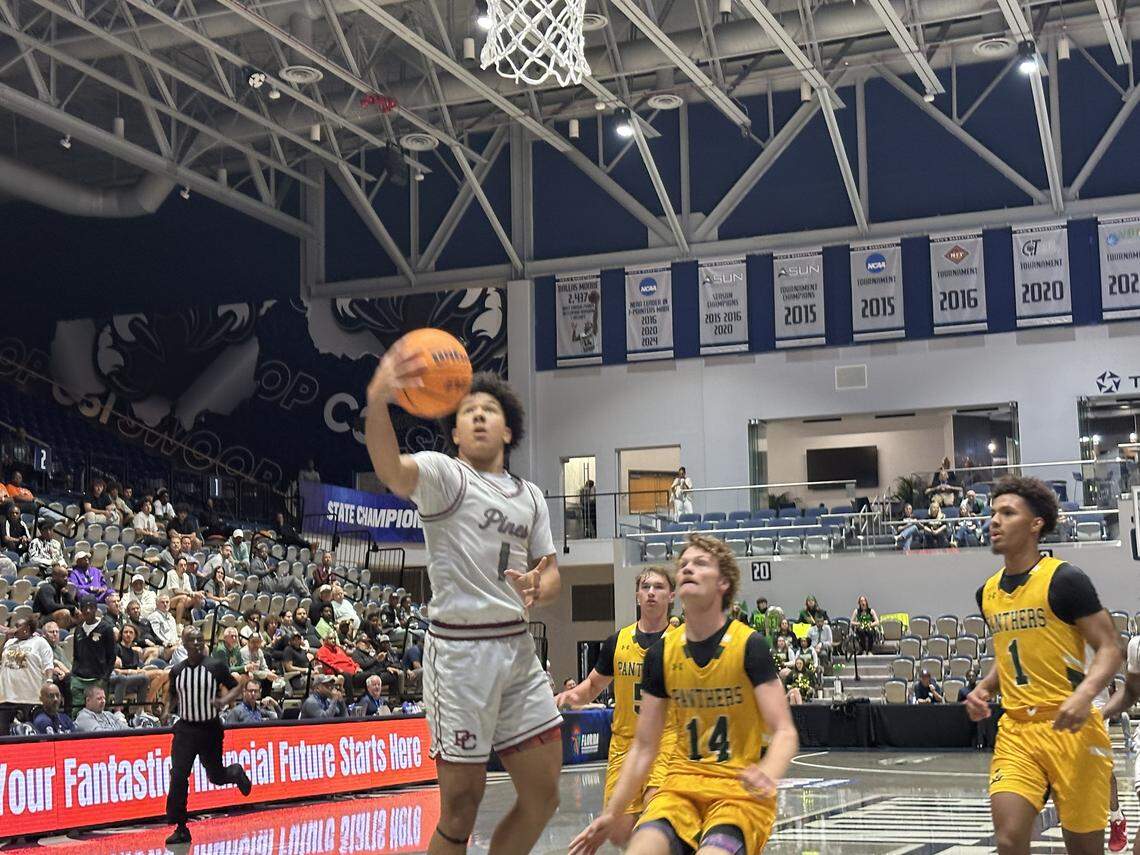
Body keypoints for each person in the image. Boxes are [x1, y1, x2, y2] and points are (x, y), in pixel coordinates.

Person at [366, 357, 562, 855]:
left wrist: (542, 587)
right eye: (468, 411)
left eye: (488, 409)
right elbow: (391, 469)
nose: (477, 416)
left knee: (543, 795)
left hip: (516, 651)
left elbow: (551, 569)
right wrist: (377, 403)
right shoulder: (444, 475)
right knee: (460, 809)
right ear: (453, 432)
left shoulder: (532, 496)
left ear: (509, 429)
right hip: (460, 655)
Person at [570, 534, 798, 855]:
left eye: (700, 563)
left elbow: (785, 732)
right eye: (684, 564)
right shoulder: (661, 655)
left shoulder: (749, 646)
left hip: (736, 792)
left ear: (723, 583)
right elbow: (645, 746)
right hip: (679, 789)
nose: (689, 568)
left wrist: (768, 772)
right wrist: (612, 812)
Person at [965, 477, 1121, 855]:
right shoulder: (987, 592)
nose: (994, 521)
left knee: (1084, 849)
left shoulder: (1065, 580)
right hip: (1018, 729)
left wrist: (1085, 695)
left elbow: (1110, 647)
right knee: (1008, 839)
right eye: (993, 513)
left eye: (1007, 512)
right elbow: (1014, 654)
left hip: (1073, 728)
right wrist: (986, 687)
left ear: (1036, 524)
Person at [555, 567, 680, 846]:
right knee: (619, 834)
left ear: (671, 595)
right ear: (637, 595)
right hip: (625, 743)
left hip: (666, 742)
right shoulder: (617, 641)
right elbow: (592, 687)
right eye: (645, 587)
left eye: (659, 587)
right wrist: (561, 699)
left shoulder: (681, 641)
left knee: (656, 815)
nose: (651, 593)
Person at [164, 627, 252, 844]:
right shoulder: (177, 670)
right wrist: (167, 709)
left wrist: (224, 701)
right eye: (192, 640)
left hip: (210, 729)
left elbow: (238, 686)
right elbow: (172, 694)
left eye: (199, 640)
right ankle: (181, 826)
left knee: (215, 776)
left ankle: (235, 772)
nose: (197, 643)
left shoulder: (215, 666)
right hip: (185, 729)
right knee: (178, 776)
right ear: (184, 644)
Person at [1100, 635, 1140, 852]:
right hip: (1068, 700)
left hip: (1095, 700)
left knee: (1102, 768)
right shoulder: (1136, 646)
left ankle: (1116, 817)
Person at [0, 615, 53, 733]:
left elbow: (48, 665)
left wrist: (49, 682)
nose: (14, 628)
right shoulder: (10, 642)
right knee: (3, 736)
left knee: (30, 734)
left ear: (27, 628)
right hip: (6, 697)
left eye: (17, 626)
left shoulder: (39, 642)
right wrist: (5, 640)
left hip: (30, 698)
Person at [70, 595, 116, 711]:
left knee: (98, 712)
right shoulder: (79, 629)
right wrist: (74, 674)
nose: (88, 610)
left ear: (96, 609)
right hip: (79, 679)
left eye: (91, 607)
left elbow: (112, 656)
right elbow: (76, 655)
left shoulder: (106, 628)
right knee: (77, 712)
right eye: (84, 607)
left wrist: (105, 678)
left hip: (97, 679)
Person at [34, 562, 78, 629]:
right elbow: (50, 607)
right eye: (63, 576)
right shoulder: (47, 588)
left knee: (81, 615)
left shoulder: (61, 590)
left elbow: (75, 606)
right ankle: (58, 636)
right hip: (42, 619)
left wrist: (67, 594)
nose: (66, 579)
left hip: (55, 618)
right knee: (64, 613)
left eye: (67, 576)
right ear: (54, 577)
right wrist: (71, 608)